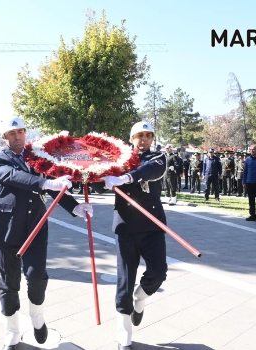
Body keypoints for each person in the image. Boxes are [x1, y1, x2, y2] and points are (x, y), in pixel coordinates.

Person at [0, 117, 93, 350]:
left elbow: (56, 184)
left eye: (20, 131)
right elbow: (12, 177)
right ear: (5, 138)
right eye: (12, 133)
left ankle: (37, 316)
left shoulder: (39, 158)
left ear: (26, 134)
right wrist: (45, 184)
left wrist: (74, 207)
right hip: (7, 228)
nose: (17, 136)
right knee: (9, 281)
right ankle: (11, 331)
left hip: (36, 224)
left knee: (36, 276)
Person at [100, 120, 168, 350]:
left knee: (158, 272)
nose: (144, 139)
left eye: (148, 135)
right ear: (132, 138)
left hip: (152, 225)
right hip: (126, 227)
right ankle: (123, 336)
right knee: (124, 281)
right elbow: (100, 181)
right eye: (140, 135)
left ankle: (141, 297)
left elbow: (151, 171)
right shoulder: (118, 159)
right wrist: (100, 177)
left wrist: (126, 177)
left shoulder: (158, 158)